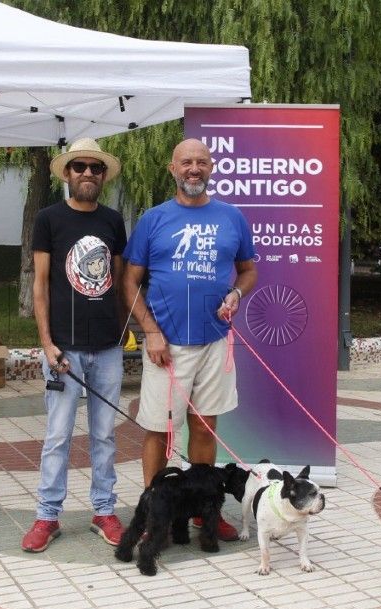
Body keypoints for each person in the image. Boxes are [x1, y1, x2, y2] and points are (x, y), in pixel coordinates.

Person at [120, 138, 258, 542]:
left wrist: (236, 295)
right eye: (186, 162)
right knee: (159, 430)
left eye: (201, 162)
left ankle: (202, 512)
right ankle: (154, 517)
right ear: (172, 169)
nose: (193, 169)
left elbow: (248, 271)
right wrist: (150, 332)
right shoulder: (154, 219)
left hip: (214, 342)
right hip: (166, 346)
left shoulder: (232, 217)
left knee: (204, 427)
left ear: (211, 167)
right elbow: (129, 281)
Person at [21, 137, 128, 552]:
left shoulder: (113, 221)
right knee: (58, 436)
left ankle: (104, 511)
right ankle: (47, 516)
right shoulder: (49, 219)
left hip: (108, 348)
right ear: (67, 173)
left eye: (95, 168)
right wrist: (47, 343)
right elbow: (40, 285)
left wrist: (127, 332)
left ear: (103, 176)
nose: (87, 173)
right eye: (79, 166)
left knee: (104, 436)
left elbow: (118, 282)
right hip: (64, 350)